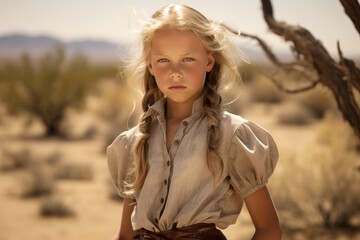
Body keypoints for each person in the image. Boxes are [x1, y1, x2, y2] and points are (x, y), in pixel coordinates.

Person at [107, 4, 282, 240]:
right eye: (163, 60)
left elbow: (269, 229)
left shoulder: (232, 135)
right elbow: (125, 235)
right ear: (150, 65)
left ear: (209, 61)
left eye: (188, 59)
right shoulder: (134, 141)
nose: (175, 71)